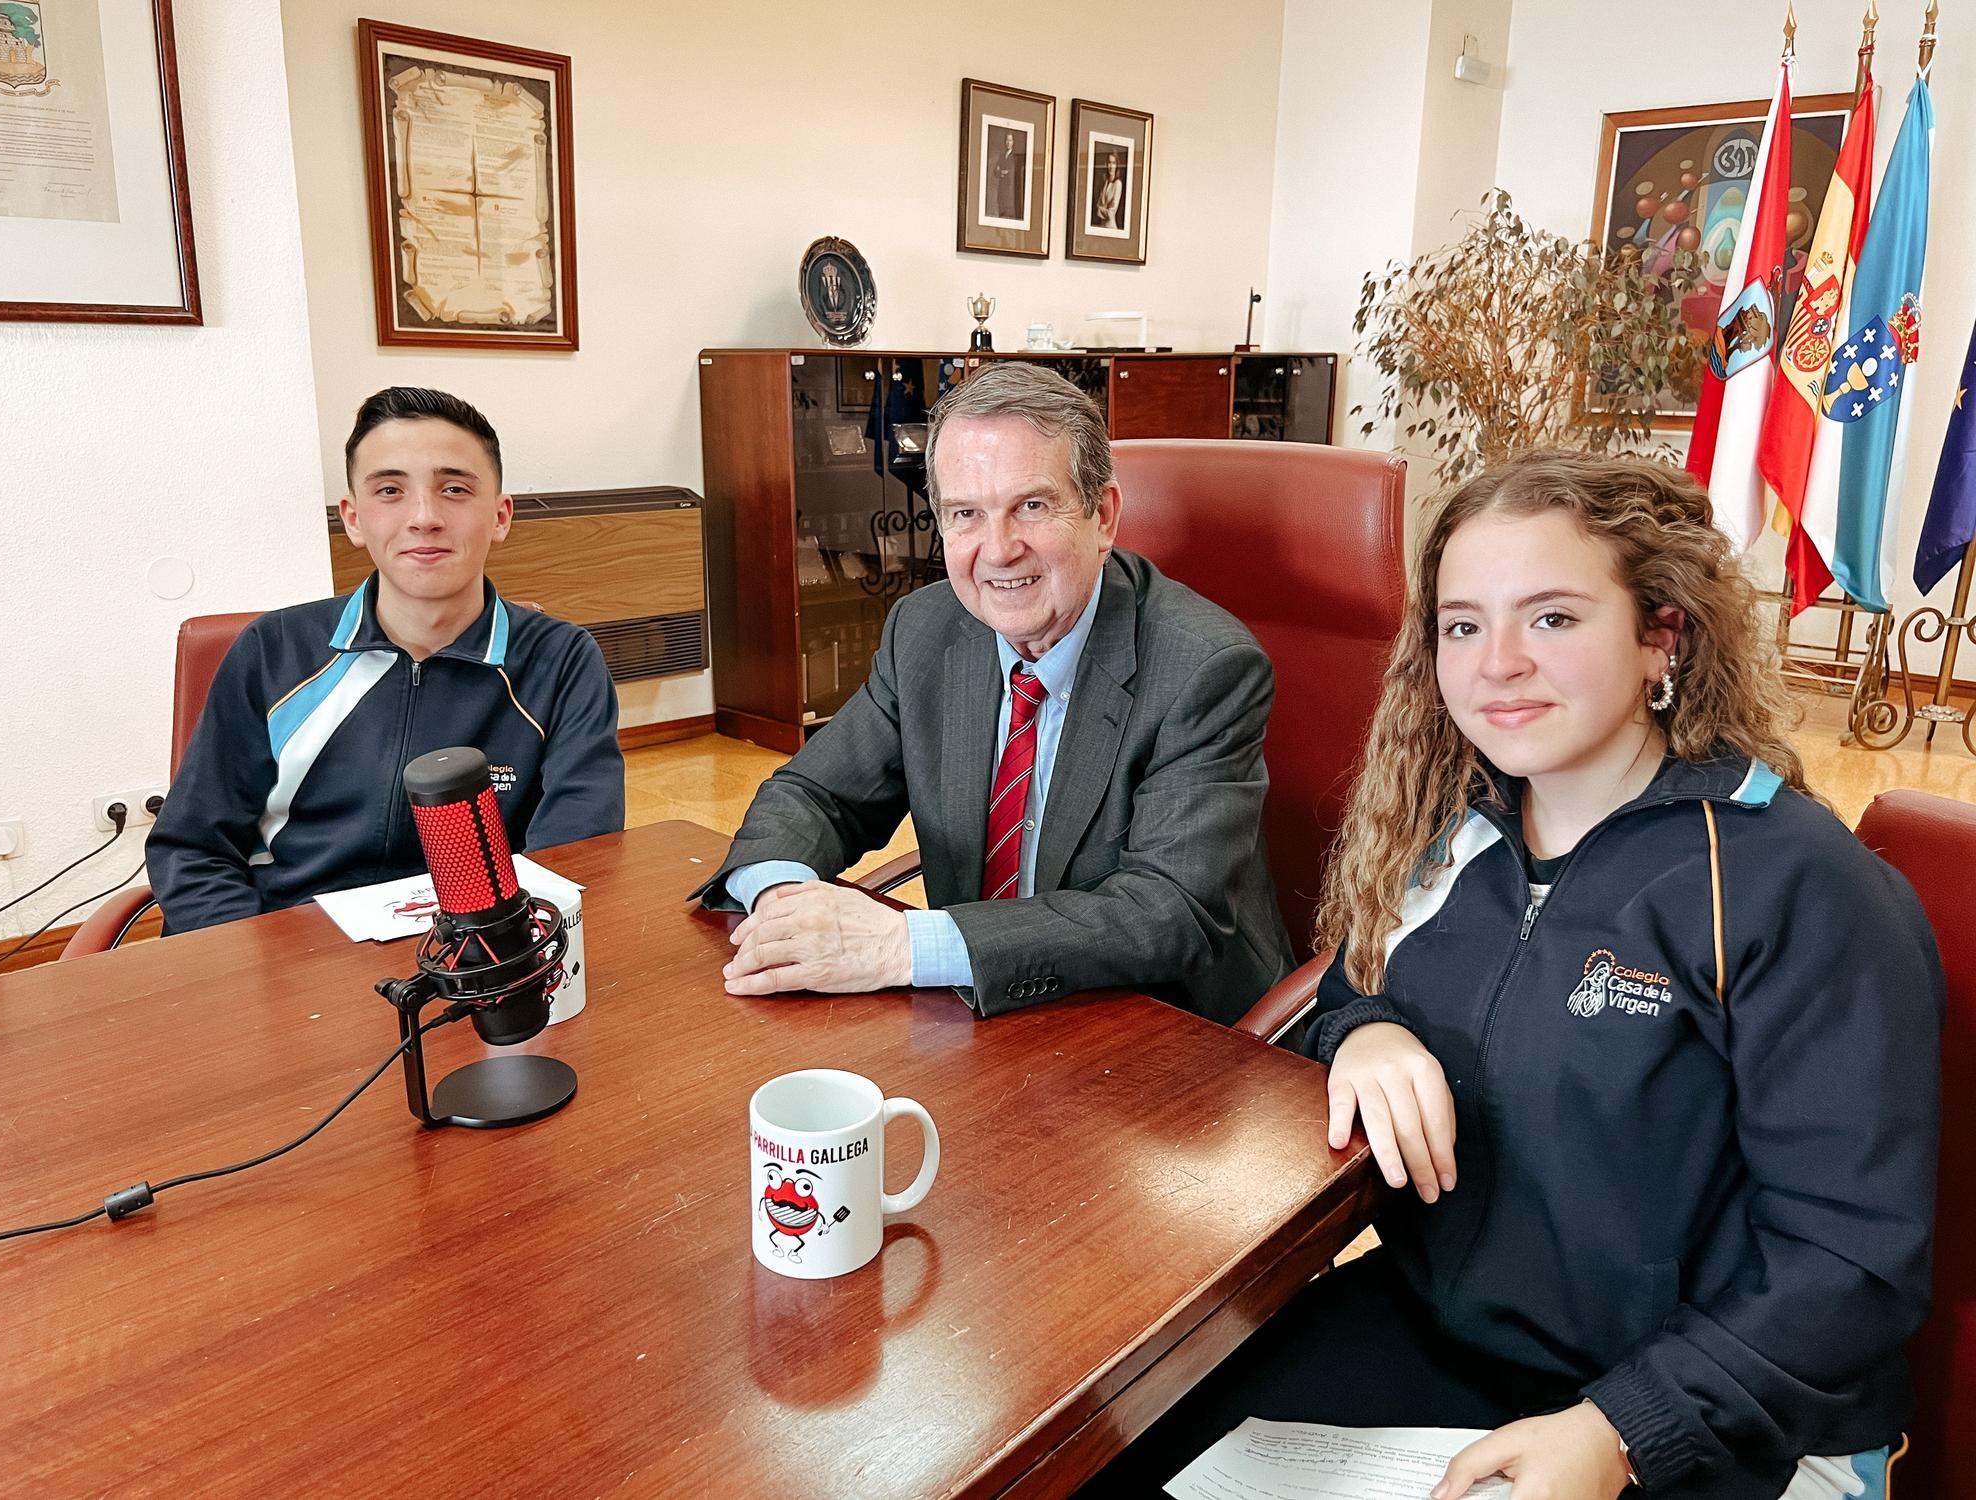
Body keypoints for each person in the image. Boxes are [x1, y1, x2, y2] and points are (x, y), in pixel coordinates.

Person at [1081, 452, 1942, 1500]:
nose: (1494, 665)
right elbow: (1358, 976)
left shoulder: (1799, 889)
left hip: (1723, 1417)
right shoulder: (1455, 828)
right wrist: (1366, 1028)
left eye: (1551, 619)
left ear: (1658, 636)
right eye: (1460, 625)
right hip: (1445, 1338)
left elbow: (1847, 1266)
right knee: (1114, 1455)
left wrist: (1621, 1431)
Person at [692, 361, 1292, 1023]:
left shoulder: (1203, 667)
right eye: (966, 514)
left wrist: (904, 944)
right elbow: (815, 793)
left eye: (1031, 506)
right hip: (986, 1023)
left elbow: (1170, 913)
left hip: (1166, 1032)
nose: (998, 549)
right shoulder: (926, 631)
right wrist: (783, 901)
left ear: (1103, 517)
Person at [147, 387, 625, 933]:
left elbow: (577, 856)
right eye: (391, 490)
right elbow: (192, 849)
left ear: (500, 515)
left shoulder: (562, 660)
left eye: (453, 489)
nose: (424, 517)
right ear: (353, 519)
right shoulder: (272, 650)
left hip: (475, 953)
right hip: (287, 950)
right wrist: (257, 974)